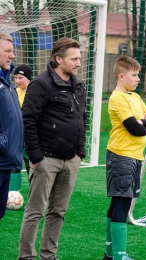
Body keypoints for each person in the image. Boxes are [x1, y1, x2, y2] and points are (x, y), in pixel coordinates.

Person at [18, 37, 86, 260]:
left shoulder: (78, 84)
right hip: (46, 159)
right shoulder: (41, 84)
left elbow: (81, 119)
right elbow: (27, 120)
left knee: (58, 212)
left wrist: (79, 152)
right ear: (58, 59)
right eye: (74, 58)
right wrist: (36, 157)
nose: (79, 62)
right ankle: (26, 257)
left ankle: (49, 256)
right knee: (35, 211)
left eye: (79, 57)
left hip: (71, 159)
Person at [103, 55, 146, 260]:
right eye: (134, 75)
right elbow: (135, 129)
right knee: (121, 203)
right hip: (121, 156)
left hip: (134, 156)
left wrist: (142, 123)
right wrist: (142, 123)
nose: (138, 79)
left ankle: (110, 255)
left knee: (118, 203)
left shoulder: (134, 97)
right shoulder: (117, 98)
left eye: (138, 75)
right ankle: (119, 255)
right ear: (121, 76)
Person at [0, 33, 24, 220]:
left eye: (12, 51)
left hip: (6, 162)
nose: (12, 55)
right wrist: (3, 143)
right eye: (7, 51)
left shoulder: (7, 82)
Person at [9, 64, 32, 191]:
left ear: (28, 78)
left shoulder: (34, 93)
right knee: (14, 165)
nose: (17, 81)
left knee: (31, 167)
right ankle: (13, 194)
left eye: (21, 78)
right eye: (16, 77)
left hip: (29, 137)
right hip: (15, 137)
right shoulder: (13, 92)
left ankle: (35, 197)